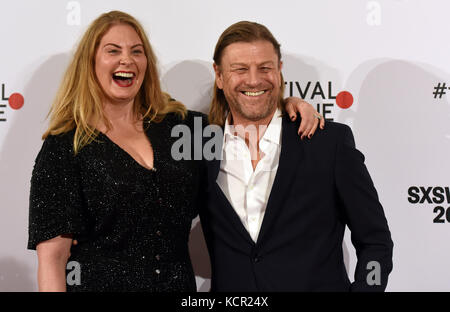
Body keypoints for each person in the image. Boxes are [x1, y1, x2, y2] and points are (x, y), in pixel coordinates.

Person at [27, 11, 323, 292]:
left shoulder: (182, 129)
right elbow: (53, 259)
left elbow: (244, 119)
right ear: (90, 62)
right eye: (113, 51)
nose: (126, 60)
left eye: (137, 51)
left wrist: (288, 104)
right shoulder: (66, 146)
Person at [199, 21, 394, 292]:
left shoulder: (328, 143)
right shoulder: (200, 147)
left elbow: (376, 241)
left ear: (279, 71)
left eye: (265, 68)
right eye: (240, 69)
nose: (254, 80)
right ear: (219, 76)